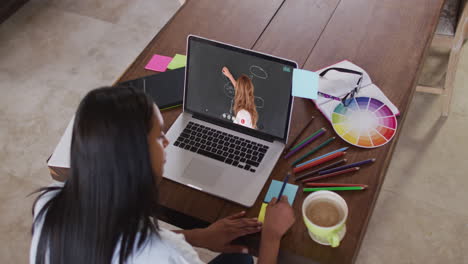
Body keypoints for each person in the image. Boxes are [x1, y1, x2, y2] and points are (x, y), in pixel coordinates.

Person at [30, 86, 295, 264]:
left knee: (238, 257)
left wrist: (199, 237)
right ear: (136, 158)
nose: (167, 142)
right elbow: (154, 249)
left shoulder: (49, 205)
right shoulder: (165, 256)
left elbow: (120, 242)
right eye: (159, 136)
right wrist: (271, 237)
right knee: (245, 257)